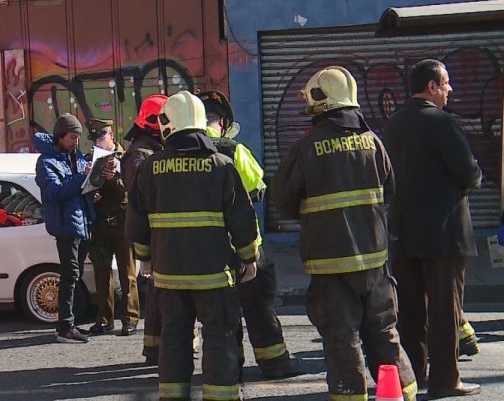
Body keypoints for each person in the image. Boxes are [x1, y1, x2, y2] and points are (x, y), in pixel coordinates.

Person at [271, 66, 418, 401]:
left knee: (341, 336)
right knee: (383, 330)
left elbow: (284, 202)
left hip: (330, 263)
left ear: (319, 102)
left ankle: (350, 395)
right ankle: (402, 393)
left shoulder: (306, 148)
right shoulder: (373, 142)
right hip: (375, 260)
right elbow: (389, 191)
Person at [126, 90, 258, 401]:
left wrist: (145, 259)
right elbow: (242, 218)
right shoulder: (222, 165)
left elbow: (136, 220)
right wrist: (248, 257)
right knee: (220, 335)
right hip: (214, 275)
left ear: (167, 125)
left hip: (168, 276)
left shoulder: (149, 168)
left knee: (173, 337)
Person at [384, 59, 482, 397]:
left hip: (404, 233)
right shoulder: (442, 122)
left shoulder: (393, 124)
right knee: (444, 309)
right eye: (446, 83)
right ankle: (446, 381)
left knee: (411, 310)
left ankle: (415, 376)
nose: (450, 89)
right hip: (444, 234)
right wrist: (476, 173)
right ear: (432, 87)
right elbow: (467, 173)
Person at [200, 90, 299, 379]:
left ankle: (229, 368)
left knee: (221, 314)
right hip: (244, 245)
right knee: (259, 306)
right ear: (222, 122)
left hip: (205, 251)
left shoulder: (177, 153)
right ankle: (275, 363)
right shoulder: (233, 150)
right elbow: (257, 188)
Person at [33, 113, 97, 344]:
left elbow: (79, 188)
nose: (76, 142)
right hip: (66, 226)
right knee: (69, 276)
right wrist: (82, 177)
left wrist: (93, 186)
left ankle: (70, 323)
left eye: (78, 137)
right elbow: (54, 192)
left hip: (83, 222)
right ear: (60, 136)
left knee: (74, 275)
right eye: (72, 137)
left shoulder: (75, 156)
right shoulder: (46, 162)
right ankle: (65, 327)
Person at [121, 93, 167, 364]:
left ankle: (158, 347)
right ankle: (156, 349)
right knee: (159, 294)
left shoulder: (151, 148)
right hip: (153, 234)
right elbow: (141, 197)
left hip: (158, 233)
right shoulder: (141, 153)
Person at [84, 118, 140, 337]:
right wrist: (91, 192)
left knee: (127, 273)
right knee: (101, 273)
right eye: (94, 138)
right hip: (100, 223)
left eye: (101, 137)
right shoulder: (90, 159)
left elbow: (132, 190)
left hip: (122, 222)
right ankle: (104, 320)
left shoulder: (125, 159)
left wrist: (115, 178)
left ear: (111, 136)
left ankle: (130, 319)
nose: (98, 142)